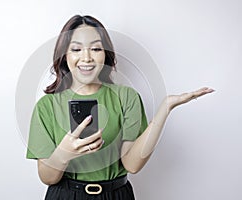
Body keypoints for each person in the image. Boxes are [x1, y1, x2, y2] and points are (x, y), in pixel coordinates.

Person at [26, 15, 214, 200]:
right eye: (76, 49)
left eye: (96, 48)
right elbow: (48, 177)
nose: (87, 57)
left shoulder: (127, 97)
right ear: (65, 54)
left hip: (116, 195)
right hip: (65, 195)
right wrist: (63, 153)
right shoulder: (47, 106)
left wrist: (165, 108)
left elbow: (132, 165)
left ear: (105, 53)